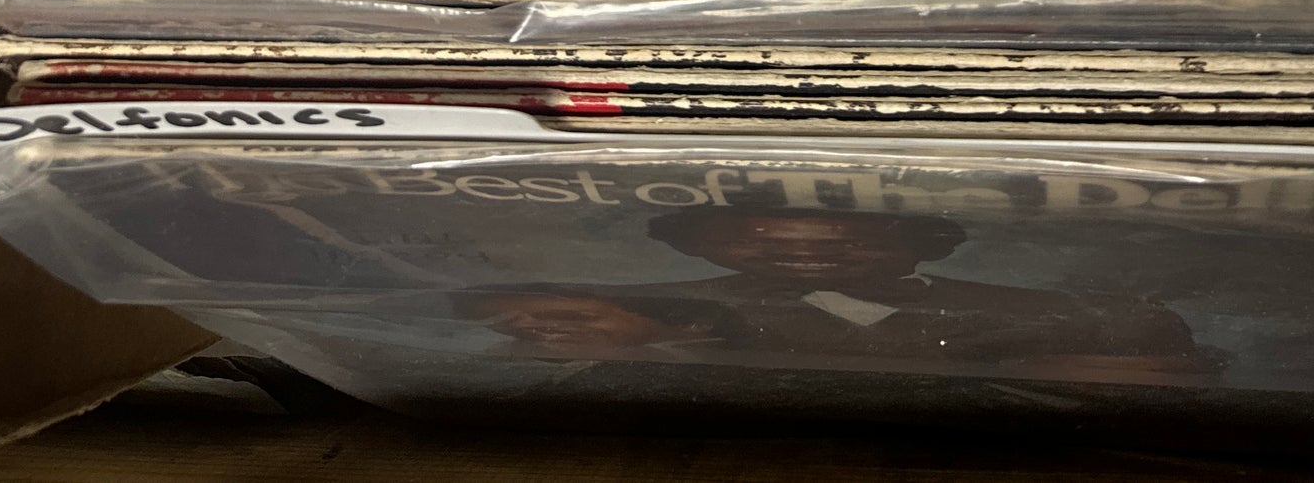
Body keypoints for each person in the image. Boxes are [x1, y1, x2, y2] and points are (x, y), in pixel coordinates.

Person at [463, 209, 1216, 386]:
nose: (804, 254)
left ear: (923, 244)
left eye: (850, 240)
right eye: (760, 240)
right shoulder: (635, 305)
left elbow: (1163, 367)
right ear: (705, 247)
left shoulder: (1072, 312)